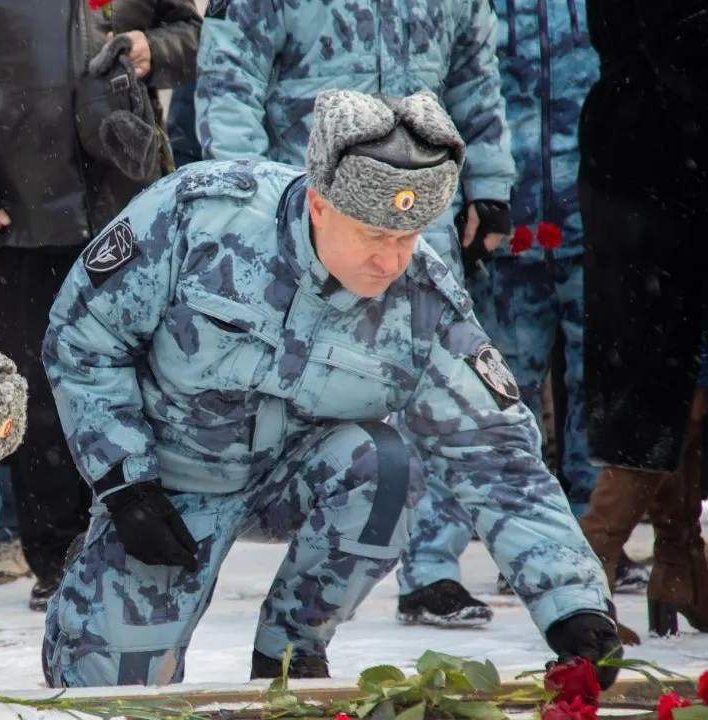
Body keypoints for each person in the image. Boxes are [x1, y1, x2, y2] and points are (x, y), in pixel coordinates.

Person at [40, 90, 620, 687]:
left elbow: (497, 454)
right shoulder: (202, 216)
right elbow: (84, 338)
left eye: (408, 237)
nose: (391, 261)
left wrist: (572, 606)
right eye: (373, 235)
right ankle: (96, 584)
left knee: (386, 466)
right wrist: (126, 483)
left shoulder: (425, 303)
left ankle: (291, 653)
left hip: (297, 478)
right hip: (167, 484)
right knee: (111, 693)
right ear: (320, 205)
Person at [196, 0, 516, 626]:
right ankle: (298, 576)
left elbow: (475, 76)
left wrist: (489, 185)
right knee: (309, 400)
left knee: (442, 393)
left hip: (420, 223)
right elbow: (231, 83)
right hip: (314, 225)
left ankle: (432, 567)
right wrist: (248, 200)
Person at [0, 0, 201, 611]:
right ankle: (58, 556)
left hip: (126, 204)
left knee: (141, 381)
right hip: (20, 217)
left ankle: (138, 540)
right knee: (40, 398)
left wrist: (153, 50)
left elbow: (193, 36)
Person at [466, 1, 647, 598]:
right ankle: (519, 544)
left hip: (595, 219)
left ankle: (591, 540)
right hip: (507, 226)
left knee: (596, 384)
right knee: (503, 395)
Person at [576, 0, 708, 638]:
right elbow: (681, 48)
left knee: (671, 379)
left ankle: (679, 564)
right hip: (665, 167)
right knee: (664, 381)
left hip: (644, 159)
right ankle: (587, 573)